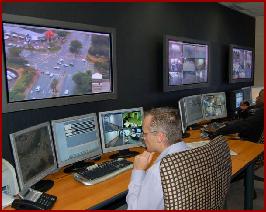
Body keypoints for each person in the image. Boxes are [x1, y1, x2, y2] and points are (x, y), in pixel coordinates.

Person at [126, 107, 190, 210]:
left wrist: (138, 171)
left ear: (160, 137)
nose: (143, 138)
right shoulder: (190, 152)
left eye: (145, 134)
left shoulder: (159, 171)